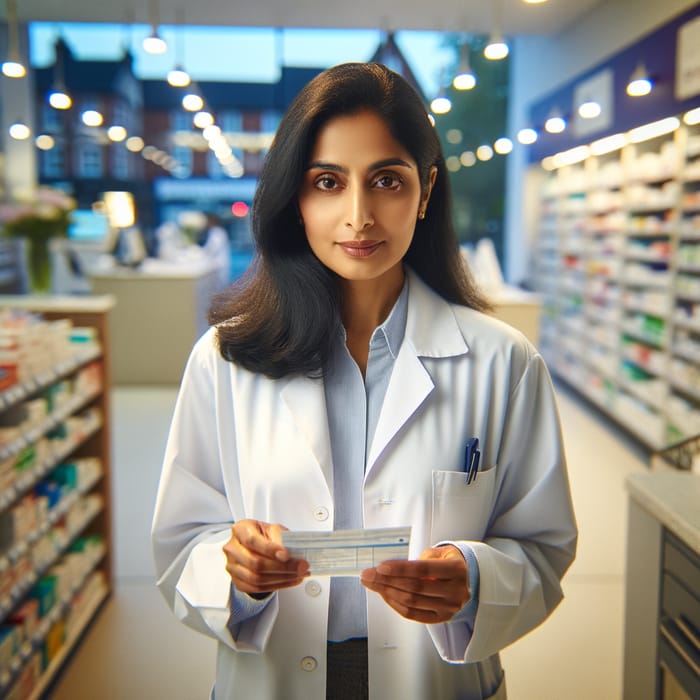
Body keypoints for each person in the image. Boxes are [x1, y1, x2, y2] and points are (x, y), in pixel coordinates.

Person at [151, 62, 577, 700]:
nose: (359, 215)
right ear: (296, 197)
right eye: (328, 181)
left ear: (425, 192)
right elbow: (182, 543)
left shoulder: (503, 361)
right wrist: (233, 570)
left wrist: (476, 581)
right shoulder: (225, 358)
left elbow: (543, 549)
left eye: (386, 180)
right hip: (273, 679)